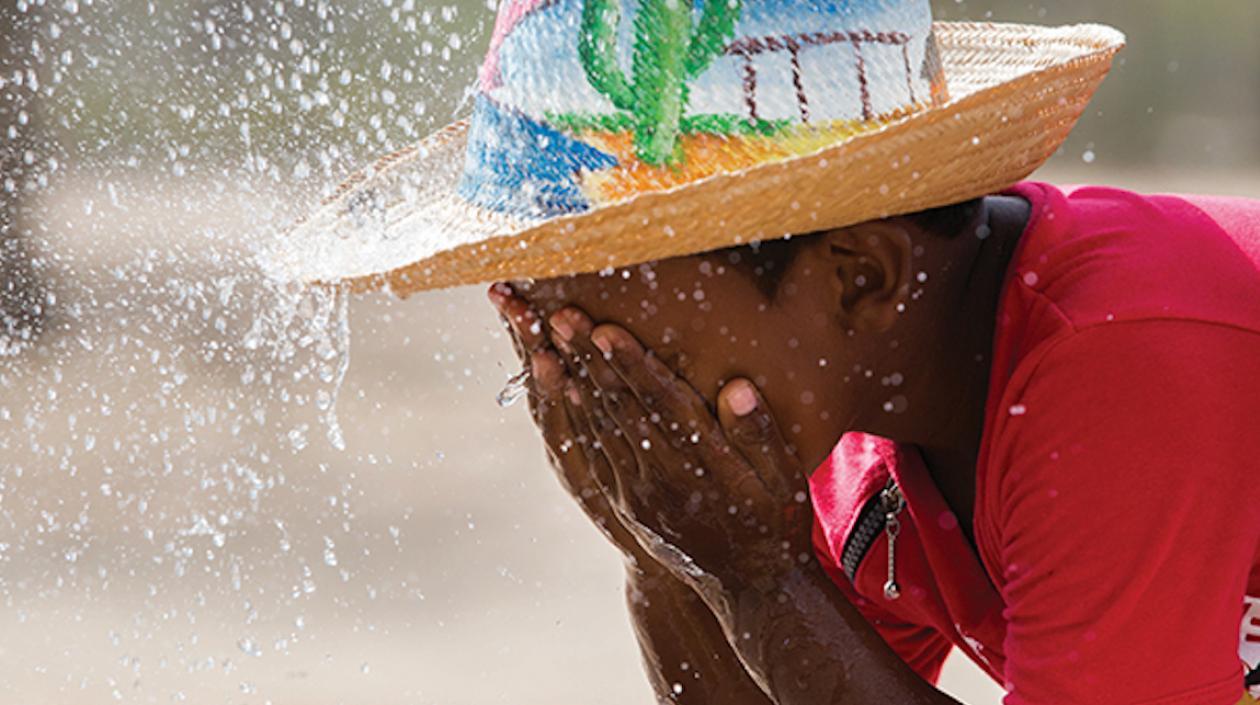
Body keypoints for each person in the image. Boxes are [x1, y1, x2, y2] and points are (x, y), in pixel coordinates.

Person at [283, 0, 1258, 702]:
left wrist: (758, 579)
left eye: (630, 351)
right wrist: (668, 552)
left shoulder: (1125, 358)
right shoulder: (874, 445)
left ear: (858, 278)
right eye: (557, 349)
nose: (606, 393)